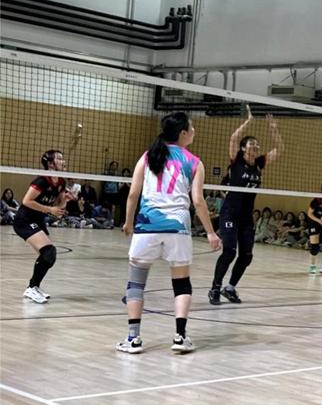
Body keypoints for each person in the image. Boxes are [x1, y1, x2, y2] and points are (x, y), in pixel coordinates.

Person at [116, 112, 221, 354]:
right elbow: (198, 201)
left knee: (136, 283)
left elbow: (133, 194)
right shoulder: (194, 162)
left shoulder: (148, 156)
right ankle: (180, 337)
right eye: (191, 128)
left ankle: (133, 338)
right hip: (178, 228)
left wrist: (128, 222)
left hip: (147, 226)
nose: (194, 131)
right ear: (182, 133)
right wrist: (211, 233)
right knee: (181, 284)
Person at [210, 106, 280, 305]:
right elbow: (233, 138)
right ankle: (215, 288)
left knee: (247, 255)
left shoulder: (259, 164)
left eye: (257, 145)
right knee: (229, 251)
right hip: (230, 213)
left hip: (246, 217)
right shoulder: (236, 160)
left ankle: (230, 288)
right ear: (243, 148)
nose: (255, 147)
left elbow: (279, 149)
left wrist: (273, 129)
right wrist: (248, 122)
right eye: (251, 144)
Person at [14, 151, 74, 303]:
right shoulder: (42, 180)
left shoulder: (61, 182)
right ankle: (31, 288)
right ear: (50, 163)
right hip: (24, 220)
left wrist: (65, 201)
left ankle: (34, 287)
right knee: (49, 251)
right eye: (59, 159)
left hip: (38, 220)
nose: (63, 161)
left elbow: (58, 208)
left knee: (49, 257)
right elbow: (26, 201)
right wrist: (49, 209)